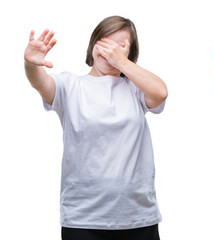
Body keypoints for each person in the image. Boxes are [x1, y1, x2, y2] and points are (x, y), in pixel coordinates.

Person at [24, 15, 168, 240]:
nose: (110, 51)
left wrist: (121, 62)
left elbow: (160, 93)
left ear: (129, 54)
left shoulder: (135, 88)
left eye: (120, 46)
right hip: (83, 219)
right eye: (105, 42)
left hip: (138, 217)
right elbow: (41, 82)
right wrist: (31, 64)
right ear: (93, 45)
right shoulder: (70, 85)